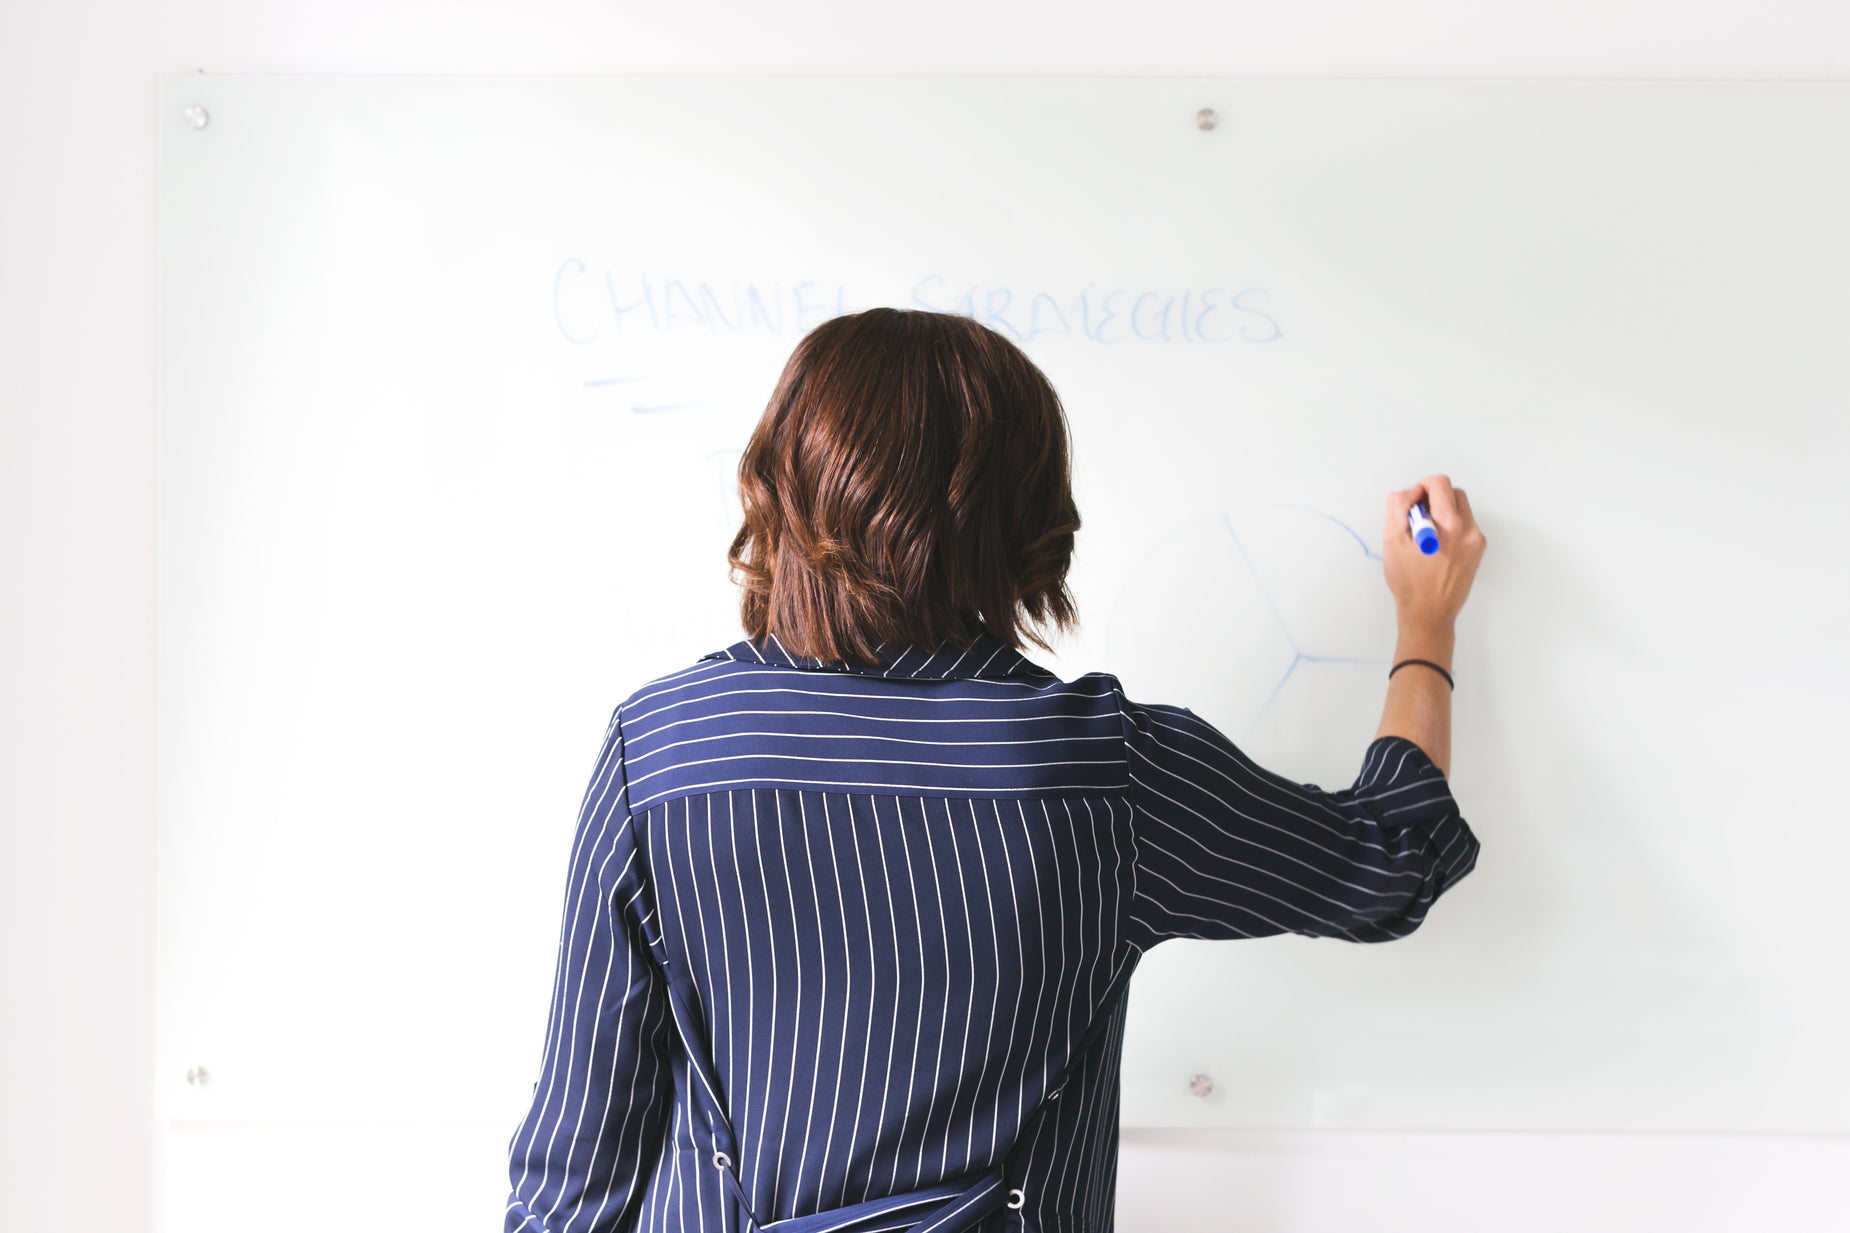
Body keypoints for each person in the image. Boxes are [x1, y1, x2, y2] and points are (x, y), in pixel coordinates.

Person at [504, 308, 1485, 1233]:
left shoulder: (662, 750)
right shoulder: (1106, 770)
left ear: (777, 486)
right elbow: (1391, 860)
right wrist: (1425, 620)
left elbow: (576, 1171)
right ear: (1025, 515)